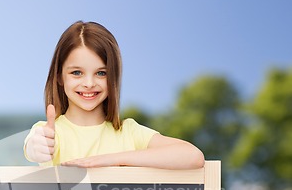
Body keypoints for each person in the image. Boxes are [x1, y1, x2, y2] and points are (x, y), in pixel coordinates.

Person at [24, 21, 204, 169]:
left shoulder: (129, 132)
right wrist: (35, 147)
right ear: (59, 77)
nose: (88, 83)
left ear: (114, 78)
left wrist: (111, 159)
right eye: (76, 73)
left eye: (101, 73)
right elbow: (34, 146)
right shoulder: (49, 133)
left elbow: (192, 156)